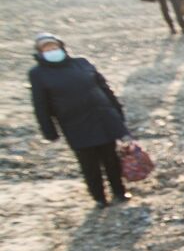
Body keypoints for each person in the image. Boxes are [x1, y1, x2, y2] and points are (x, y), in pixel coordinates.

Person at [29, 32, 131, 207]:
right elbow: (41, 104)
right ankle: (99, 197)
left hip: (102, 118)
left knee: (111, 159)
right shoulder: (38, 73)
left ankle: (119, 191)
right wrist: (49, 130)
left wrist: (117, 112)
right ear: (40, 52)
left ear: (61, 47)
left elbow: (104, 88)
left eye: (54, 47)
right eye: (47, 48)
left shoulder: (81, 63)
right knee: (88, 163)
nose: (52, 50)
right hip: (75, 123)